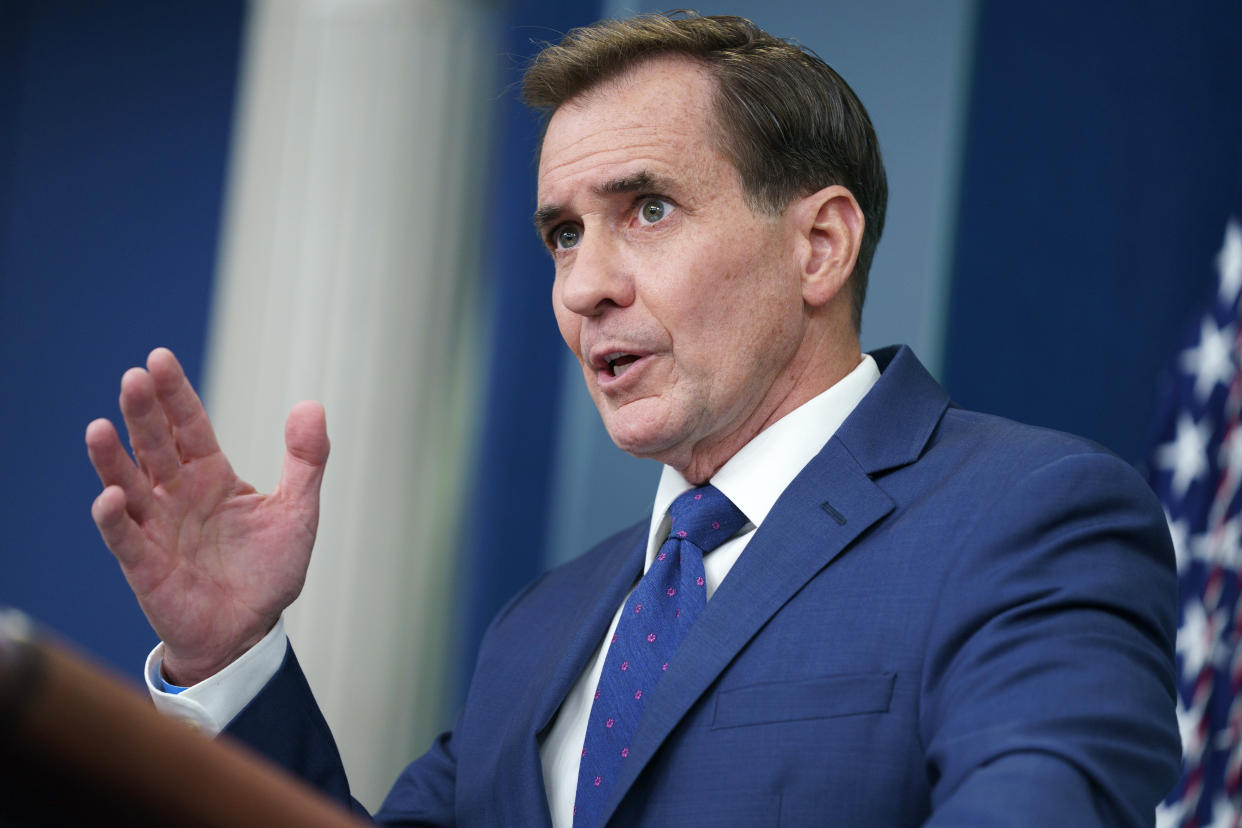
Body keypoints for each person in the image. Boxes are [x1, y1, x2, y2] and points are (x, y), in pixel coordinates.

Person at [86, 12, 1181, 827]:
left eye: (647, 210)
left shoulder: (1030, 519)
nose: (583, 287)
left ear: (820, 246)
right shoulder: (540, 627)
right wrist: (229, 654)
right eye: (564, 234)